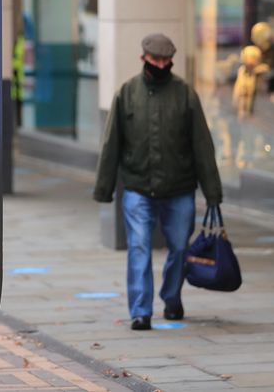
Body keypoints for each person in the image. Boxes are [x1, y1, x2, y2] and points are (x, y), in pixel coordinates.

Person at [93, 33, 223, 330]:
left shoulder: (185, 94)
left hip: (179, 188)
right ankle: (141, 310)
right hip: (138, 187)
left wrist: (213, 191)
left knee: (179, 246)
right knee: (139, 246)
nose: (160, 64)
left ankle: (171, 296)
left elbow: (202, 145)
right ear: (144, 59)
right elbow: (111, 142)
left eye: (166, 60)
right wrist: (104, 188)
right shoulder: (126, 93)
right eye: (155, 60)